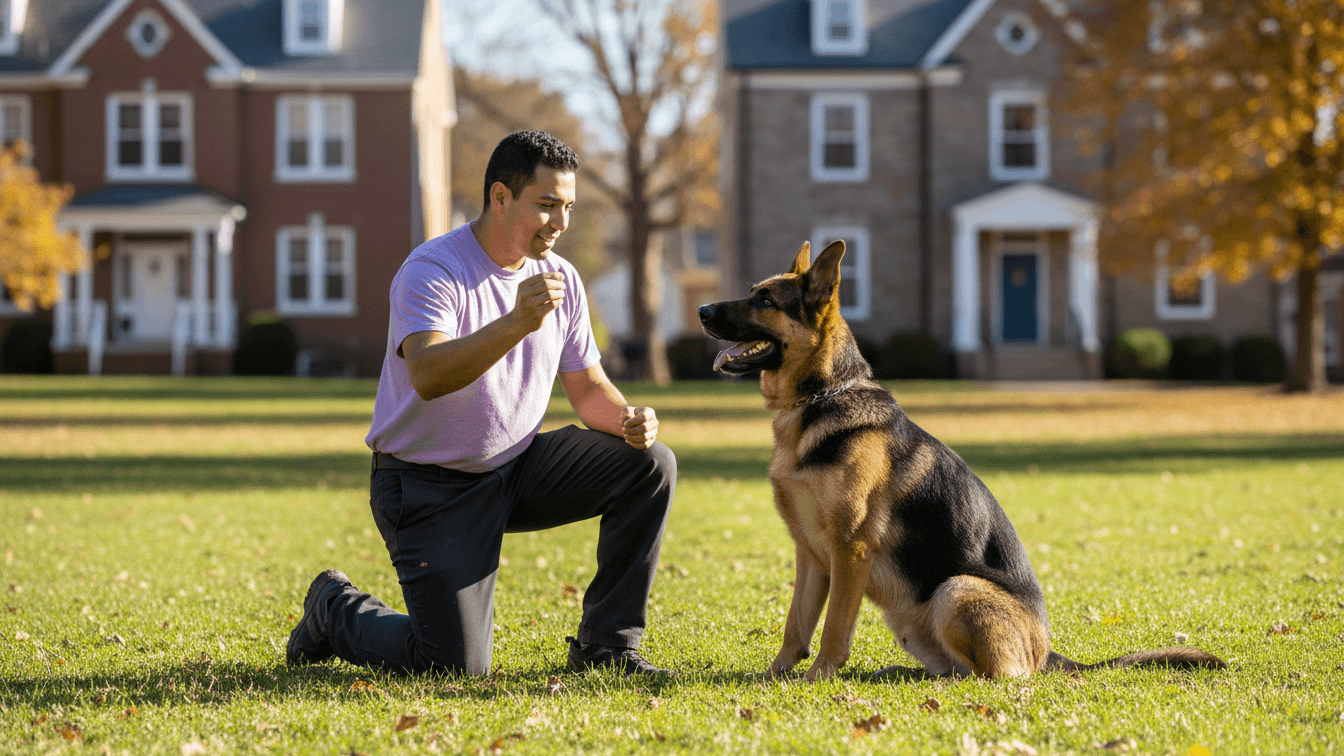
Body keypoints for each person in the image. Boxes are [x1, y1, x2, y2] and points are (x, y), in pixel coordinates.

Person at [285, 130, 676, 676]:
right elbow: (429, 374)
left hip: (516, 469)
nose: (560, 222)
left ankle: (606, 647)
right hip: (427, 486)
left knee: (649, 464)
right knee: (454, 666)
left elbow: (587, 389)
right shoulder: (433, 269)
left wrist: (627, 419)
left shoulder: (561, 278)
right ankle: (334, 609)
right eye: (547, 204)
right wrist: (517, 323)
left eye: (567, 207)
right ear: (500, 197)